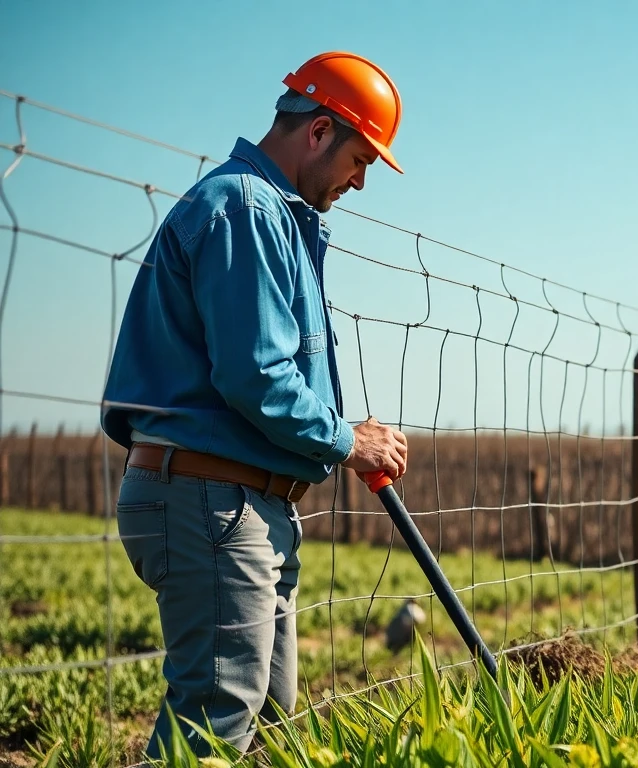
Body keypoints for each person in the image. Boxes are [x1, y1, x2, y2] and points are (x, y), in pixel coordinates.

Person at [100, 51, 411, 759]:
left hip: (245, 502)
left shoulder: (272, 213)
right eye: (361, 158)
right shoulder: (244, 208)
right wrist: (345, 439)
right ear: (319, 132)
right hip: (208, 499)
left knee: (269, 717)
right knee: (214, 720)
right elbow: (256, 376)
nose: (362, 181)